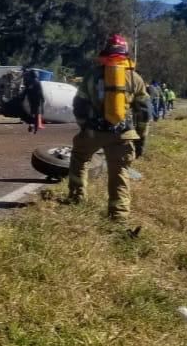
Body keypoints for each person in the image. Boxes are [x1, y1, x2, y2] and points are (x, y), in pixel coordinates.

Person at [66, 34, 152, 223]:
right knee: (119, 172)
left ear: (105, 52)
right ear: (126, 54)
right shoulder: (135, 78)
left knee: (80, 158)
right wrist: (141, 139)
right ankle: (119, 217)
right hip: (122, 133)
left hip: (93, 131)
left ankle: (76, 199)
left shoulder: (92, 75)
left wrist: (84, 127)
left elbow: (78, 104)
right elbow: (144, 112)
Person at [22, 66, 45, 133]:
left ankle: (31, 124)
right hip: (37, 99)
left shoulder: (28, 82)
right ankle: (35, 126)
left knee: (32, 112)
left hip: (31, 99)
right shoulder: (37, 82)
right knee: (37, 113)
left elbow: (26, 91)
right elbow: (40, 91)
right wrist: (42, 99)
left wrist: (23, 97)